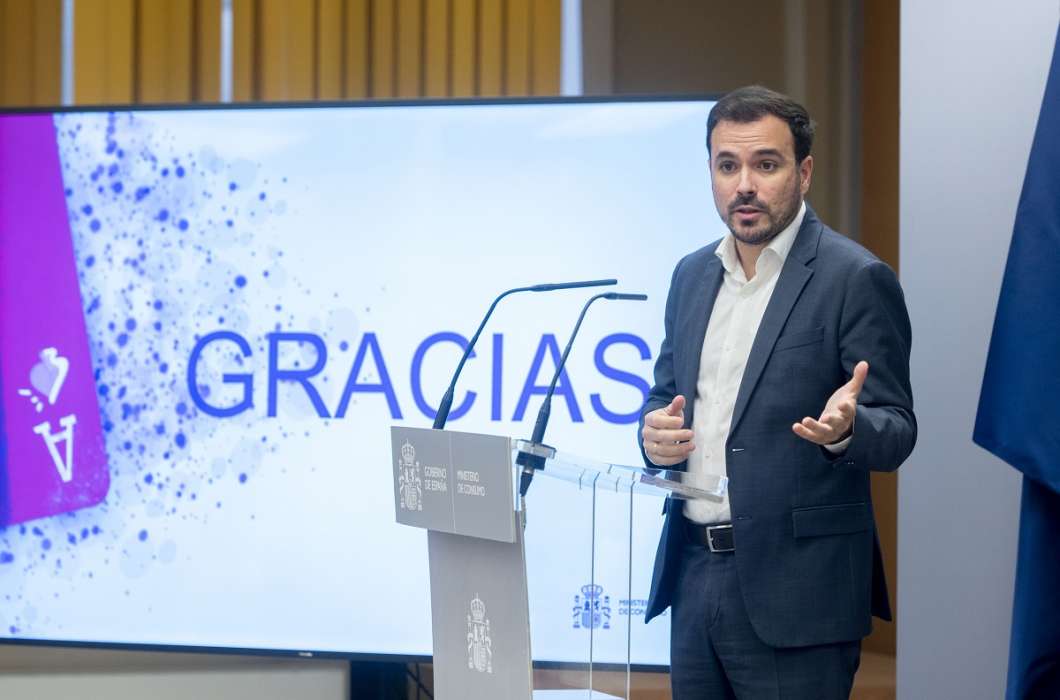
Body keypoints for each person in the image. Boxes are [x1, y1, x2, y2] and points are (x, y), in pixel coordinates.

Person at [639, 85, 916, 699]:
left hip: (801, 592)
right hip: (693, 574)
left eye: (766, 164)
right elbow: (664, 395)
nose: (744, 185)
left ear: (804, 172)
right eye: (727, 165)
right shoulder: (691, 275)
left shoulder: (854, 278)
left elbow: (897, 427)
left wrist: (848, 430)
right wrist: (653, 433)